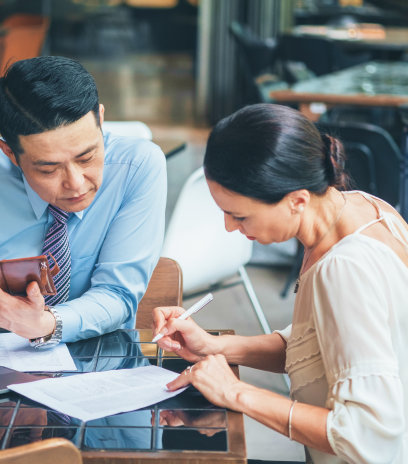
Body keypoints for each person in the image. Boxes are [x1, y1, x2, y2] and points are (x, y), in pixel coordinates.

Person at [152, 104, 408, 463]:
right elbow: (318, 346)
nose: (228, 227)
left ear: (297, 201)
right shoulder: (367, 208)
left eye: (239, 215)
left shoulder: (344, 269)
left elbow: (366, 434)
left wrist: (236, 393)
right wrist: (215, 346)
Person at [0, 56, 166, 347]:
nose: (76, 183)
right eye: (48, 169)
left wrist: (45, 324)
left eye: (87, 157)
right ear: (10, 153)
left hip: (96, 352)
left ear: (100, 118)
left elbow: (118, 293)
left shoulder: (137, 167)